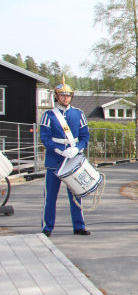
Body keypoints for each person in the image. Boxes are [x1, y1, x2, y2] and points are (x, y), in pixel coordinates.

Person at [39, 78, 91, 237]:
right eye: (62, 95)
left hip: (73, 159)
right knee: (51, 197)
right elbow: (45, 138)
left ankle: (79, 226)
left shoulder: (78, 114)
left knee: (76, 195)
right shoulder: (48, 115)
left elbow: (85, 137)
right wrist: (60, 150)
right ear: (56, 96)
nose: (65, 98)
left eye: (68, 95)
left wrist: (77, 148)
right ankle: (47, 227)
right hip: (55, 160)